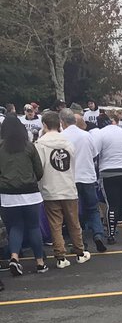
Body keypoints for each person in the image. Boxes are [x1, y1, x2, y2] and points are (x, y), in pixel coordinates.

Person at [35, 110, 90, 269]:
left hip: (50, 188)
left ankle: (60, 256)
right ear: (59, 124)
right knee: (74, 222)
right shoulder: (68, 142)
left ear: (44, 125)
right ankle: (80, 252)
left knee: (55, 224)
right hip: (67, 186)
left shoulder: (40, 144)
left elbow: (40, 168)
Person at [0, 113, 49, 278]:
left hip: (8, 194)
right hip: (30, 193)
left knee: (15, 227)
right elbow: (39, 171)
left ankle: (14, 257)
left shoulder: (1, 148)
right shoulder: (29, 146)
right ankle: (40, 262)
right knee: (34, 227)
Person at [60, 108, 106, 252]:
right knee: (93, 209)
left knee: (73, 213)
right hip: (87, 176)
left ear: (62, 122)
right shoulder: (86, 136)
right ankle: (98, 234)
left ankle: (79, 242)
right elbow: (95, 154)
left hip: (70, 178)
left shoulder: (62, 137)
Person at [93, 117, 122, 242]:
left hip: (108, 171)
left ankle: (111, 235)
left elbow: (95, 154)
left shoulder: (100, 134)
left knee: (111, 204)